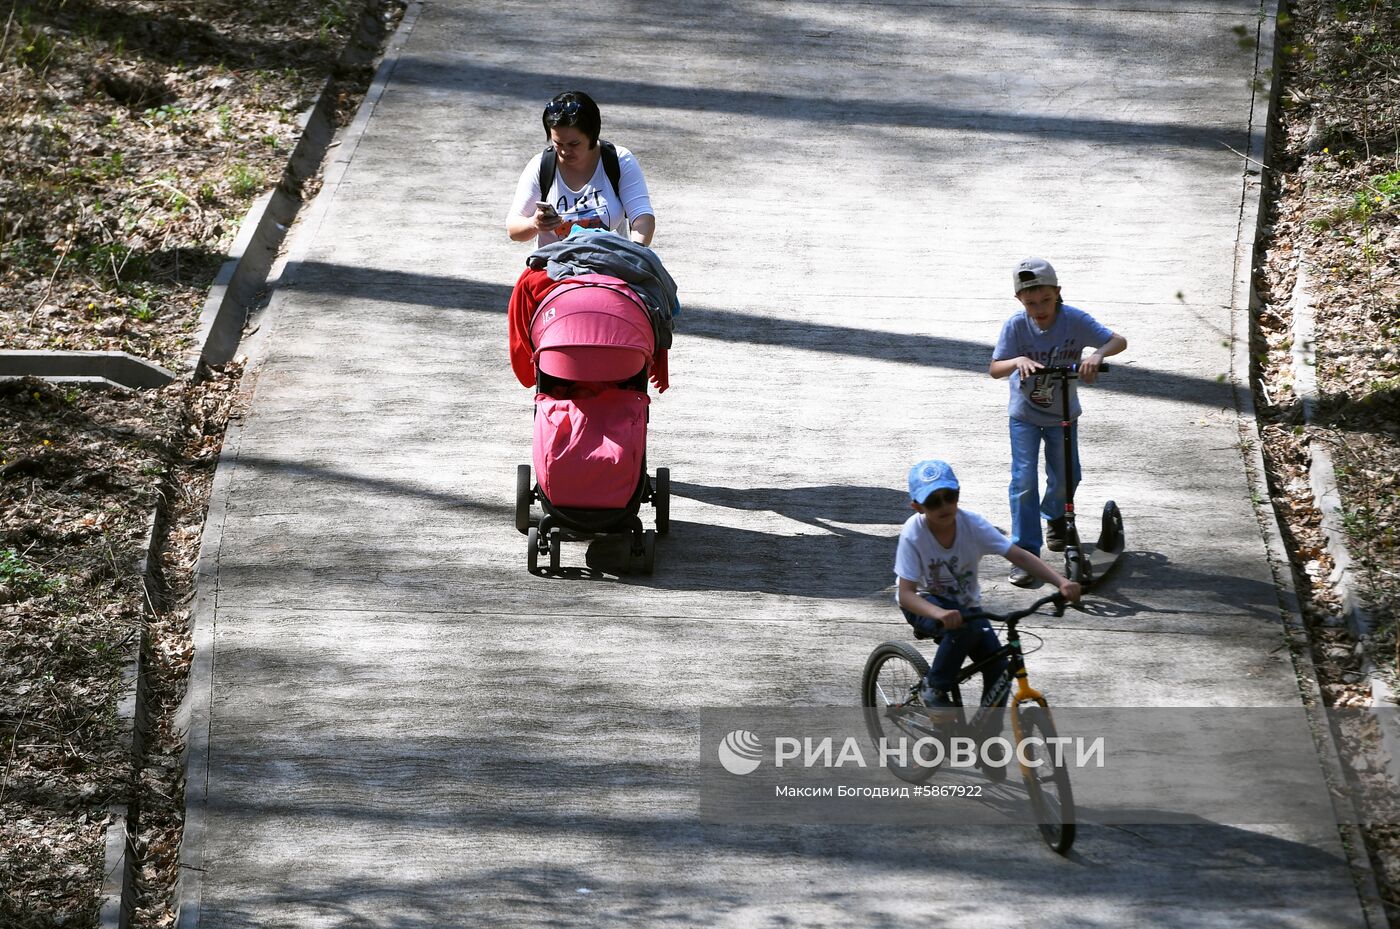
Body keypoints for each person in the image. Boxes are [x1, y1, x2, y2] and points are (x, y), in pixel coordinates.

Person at [894, 459, 1080, 712]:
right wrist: (939, 613)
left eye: (949, 496)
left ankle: (986, 739)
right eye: (933, 501)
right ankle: (934, 687)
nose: (944, 506)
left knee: (999, 667)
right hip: (924, 603)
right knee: (964, 627)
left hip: (966, 607)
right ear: (917, 506)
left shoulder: (973, 525)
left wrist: (1061, 581)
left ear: (958, 493)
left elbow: (1019, 556)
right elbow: (906, 595)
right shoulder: (913, 534)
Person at [989, 257, 1127, 587]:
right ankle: (1026, 551)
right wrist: (1017, 360)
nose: (1039, 308)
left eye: (1046, 300)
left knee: (1067, 474)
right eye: (1031, 302)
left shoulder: (1075, 320)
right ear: (1019, 300)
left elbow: (1117, 341)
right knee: (1023, 481)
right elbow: (995, 369)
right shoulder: (1015, 326)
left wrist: (1097, 355)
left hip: (1063, 413)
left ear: (1057, 292)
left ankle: (1054, 516)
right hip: (1023, 415)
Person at [506, 91, 656, 247]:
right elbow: (513, 229)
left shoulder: (618, 160)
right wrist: (534, 224)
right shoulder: (541, 166)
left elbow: (642, 217)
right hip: (554, 265)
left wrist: (636, 253)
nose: (564, 151)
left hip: (609, 263)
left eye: (574, 144)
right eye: (558, 144)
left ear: (592, 135)